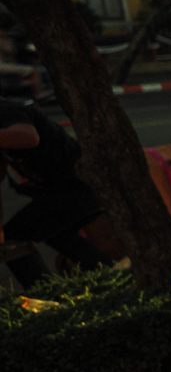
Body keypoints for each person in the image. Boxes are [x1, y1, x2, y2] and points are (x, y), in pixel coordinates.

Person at [0, 99, 107, 287]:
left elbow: (29, 137)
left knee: (15, 239)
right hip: (74, 187)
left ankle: (45, 292)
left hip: (76, 185)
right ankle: (112, 275)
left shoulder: (6, 110)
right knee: (59, 236)